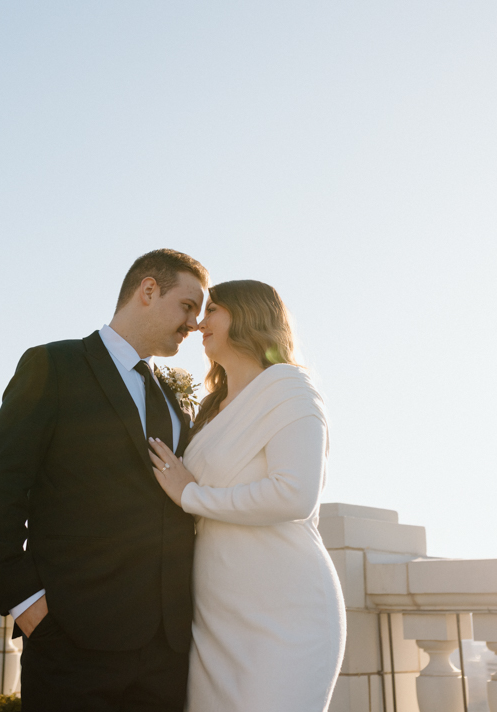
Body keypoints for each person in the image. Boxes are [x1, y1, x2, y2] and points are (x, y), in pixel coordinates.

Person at [0, 249, 209, 712]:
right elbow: (0, 486)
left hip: (167, 650)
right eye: (187, 306)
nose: (193, 325)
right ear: (147, 290)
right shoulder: (53, 366)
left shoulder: (173, 396)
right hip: (71, 640)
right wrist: (26, 604)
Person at [148, 280, 346, 712]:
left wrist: (191, 496)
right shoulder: (210, 408)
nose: (199, 323)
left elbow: (295, 495)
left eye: (213, 309)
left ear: (249, 315)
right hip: (216, 617)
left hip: (283, 612)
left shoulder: (290, 388)